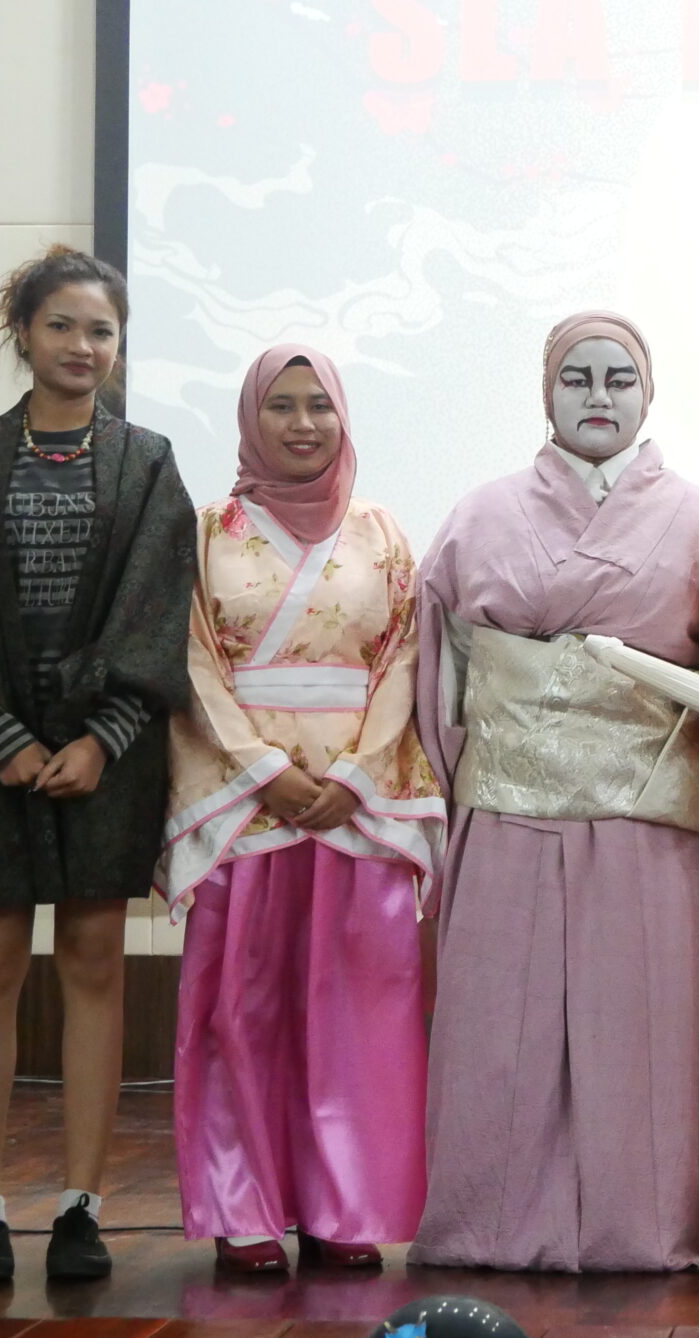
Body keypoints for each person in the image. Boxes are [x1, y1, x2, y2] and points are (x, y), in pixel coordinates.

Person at [0, 245, 196, 1285]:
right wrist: (1, 735)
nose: (82, 346)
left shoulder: (147, 460)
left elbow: (159, 611)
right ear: (21, 332)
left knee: (96, 960)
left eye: (101, 330)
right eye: (61, 324)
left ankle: (80, 1207)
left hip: (107, 752)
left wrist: (102, 736)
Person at [409, 311, 699, 1272]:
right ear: (546, 392)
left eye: (619, 379)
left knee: (644, 1031)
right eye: (577, 378)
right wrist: (458, 785)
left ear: (648, 394)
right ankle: (485, 1225)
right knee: (497, 1028)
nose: (598, 396)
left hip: (649, 809)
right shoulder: (480, 515)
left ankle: (649, 1226)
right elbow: (441, 679)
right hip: (509, 802)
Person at [160, 344, 445, 1274]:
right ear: (252, 417)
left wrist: (357, 775)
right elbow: (191, 660)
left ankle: (341, 1207)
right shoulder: (207, 533)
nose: (302, 423)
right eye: (280, 405)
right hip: (247, 803)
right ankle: (243, 1208)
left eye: (319, 404)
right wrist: (262, 770)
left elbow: (405, 658)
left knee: (358, 1009)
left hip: (354, 808)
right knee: (240, 1009)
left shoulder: (382, 533)